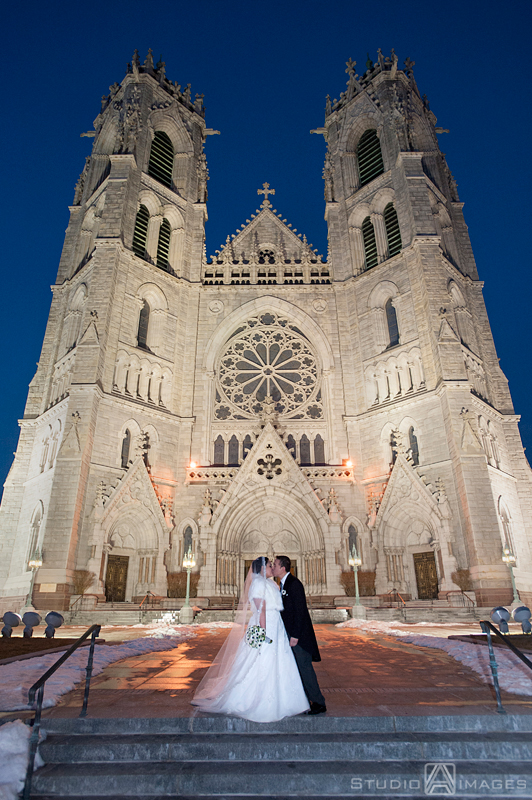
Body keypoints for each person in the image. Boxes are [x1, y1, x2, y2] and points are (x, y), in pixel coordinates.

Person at [191, 556, 309, 722]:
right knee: (263, 661)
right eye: (269, 565)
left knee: (279, 662)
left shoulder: (271, 583)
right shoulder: (258, 584)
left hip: (277, 627)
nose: (271, 568)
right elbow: (261, 610)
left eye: (273, 565)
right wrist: (263, 632)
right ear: (261, 568)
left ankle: (286, 700)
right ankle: (260, 701)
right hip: (267, 626)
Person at [272, 555, 327, 715]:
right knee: (298, 668)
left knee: (305, 668)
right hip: (291, 635)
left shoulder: (294, 585)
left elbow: (300, 612)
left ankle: (318, 702)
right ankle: (307, 700)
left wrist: (295, 635)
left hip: (300, 637)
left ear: (283, 568)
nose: (273, 567)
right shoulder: (283, 584)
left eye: (275, 564)